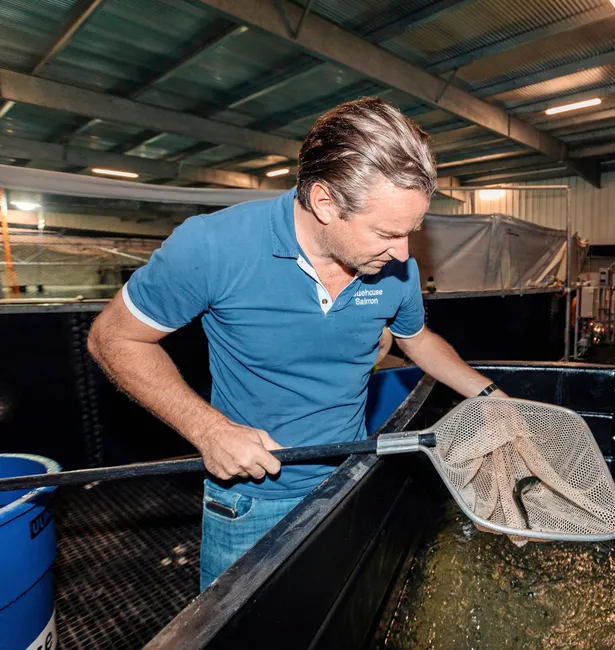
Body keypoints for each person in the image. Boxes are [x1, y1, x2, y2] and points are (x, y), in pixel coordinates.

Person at [87, 98, 504, 591]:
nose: (404, 252)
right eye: (388, 232)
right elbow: (112, 337)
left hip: (350, 479)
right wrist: (209, 430)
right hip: (252, 502)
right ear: (325, 202)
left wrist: (492, 398)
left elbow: (418, 341)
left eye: (411, 231)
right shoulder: (212, 246)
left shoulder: (395, 267)